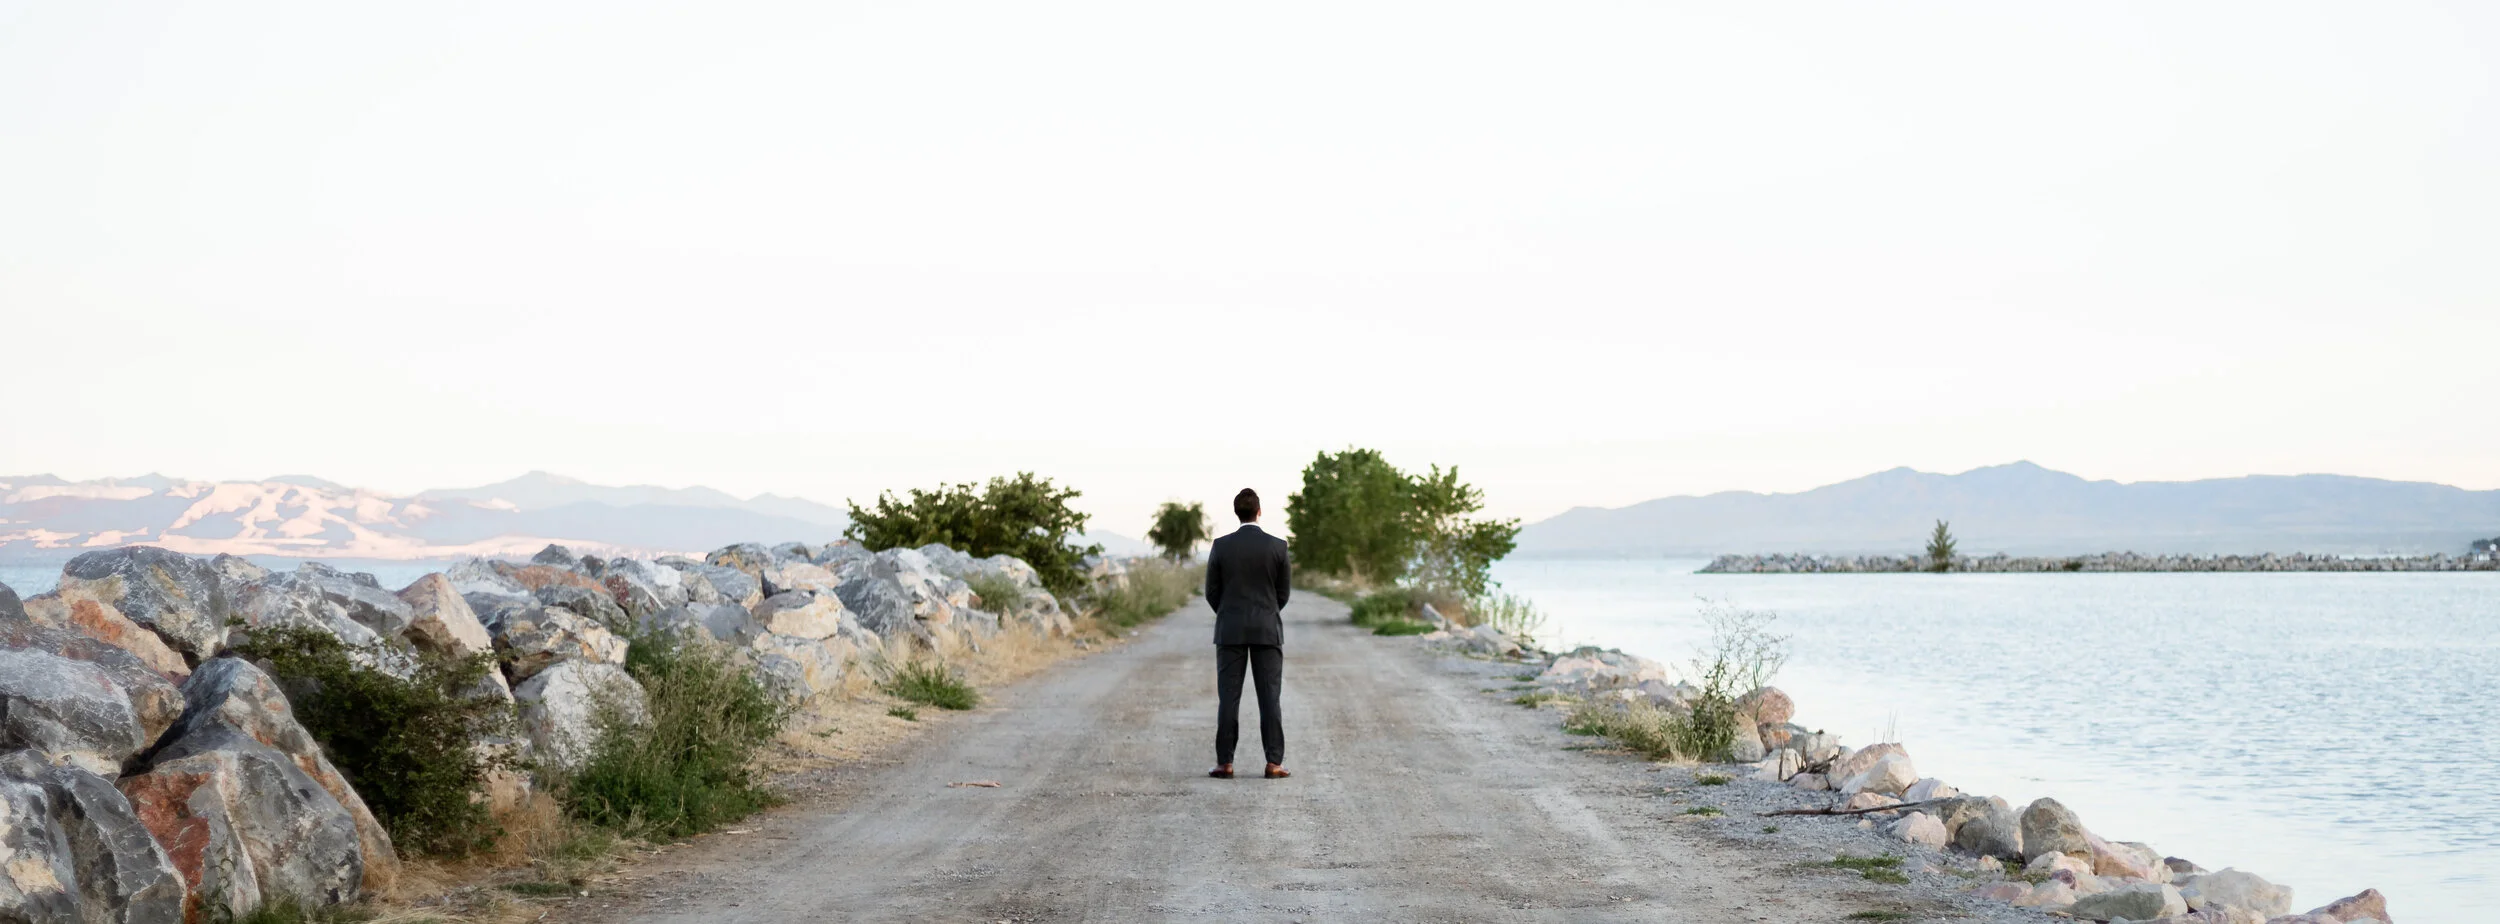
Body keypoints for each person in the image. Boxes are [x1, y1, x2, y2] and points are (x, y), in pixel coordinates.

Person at [1203, 487, 1291, 779]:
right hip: (1267, 629)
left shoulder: (1221, 546)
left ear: (1236, 512)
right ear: (1259, 511)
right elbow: (1283, 593)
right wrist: (1266, 611)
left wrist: (1229, 613)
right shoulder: (1278, 547)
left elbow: (1211, 592)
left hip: (1230, 629)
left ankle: (1225, 763)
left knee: (1229, 698)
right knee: (1270, 698)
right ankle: (1274, 763)